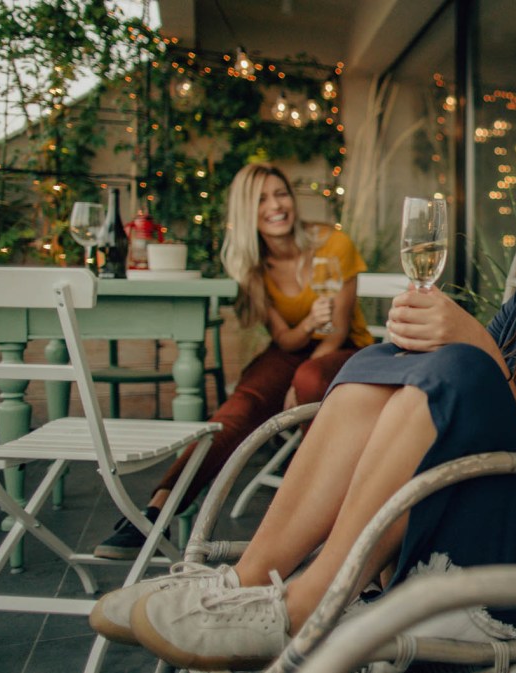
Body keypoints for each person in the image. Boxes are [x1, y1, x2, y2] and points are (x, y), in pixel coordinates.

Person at [89, 132, 516, 670]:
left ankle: (308, 600)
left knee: (459, 365)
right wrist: (433, 355)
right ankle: (246, 582)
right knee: (382, 363)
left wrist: (479, 347)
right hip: (461, 504)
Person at [93, 162, 373, 559]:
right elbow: (284, 337)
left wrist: (299, 378)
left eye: (280, 194)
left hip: (345, 350)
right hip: (293, 349)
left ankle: (317, 519)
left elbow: (338, 331)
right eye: (261, 199)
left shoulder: (332, 245)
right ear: (246, 211)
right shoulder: (252, 265)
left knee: (310, 377)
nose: (276, 206)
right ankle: (155, 512)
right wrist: (308, 321)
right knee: (241, 405)